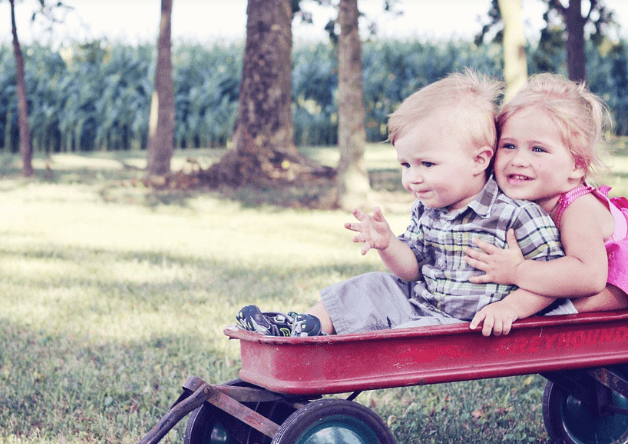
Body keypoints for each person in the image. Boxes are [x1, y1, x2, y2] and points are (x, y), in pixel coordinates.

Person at [236, 70, 573, 338]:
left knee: (402, 338)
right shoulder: (427, 208)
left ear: (478, 160)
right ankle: (305, 326)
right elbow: (411, 269)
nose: (413, 178)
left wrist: (511, 308)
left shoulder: (515, 214)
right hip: (421, 305)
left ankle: (330, 349)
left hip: (464, 328)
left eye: (427, 165)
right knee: (370, 285)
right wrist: (388, 245)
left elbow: (552, 282)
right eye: (405, 165)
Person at [466, 73, 628, 312]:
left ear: (577, 166)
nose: (518, 160)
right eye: (509, 146)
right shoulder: (518, 196)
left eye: (537, 149)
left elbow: (589, 276)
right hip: (588, 268)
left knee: (580, 296)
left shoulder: (577, 210)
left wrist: (516, 272)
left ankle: (560, 314)